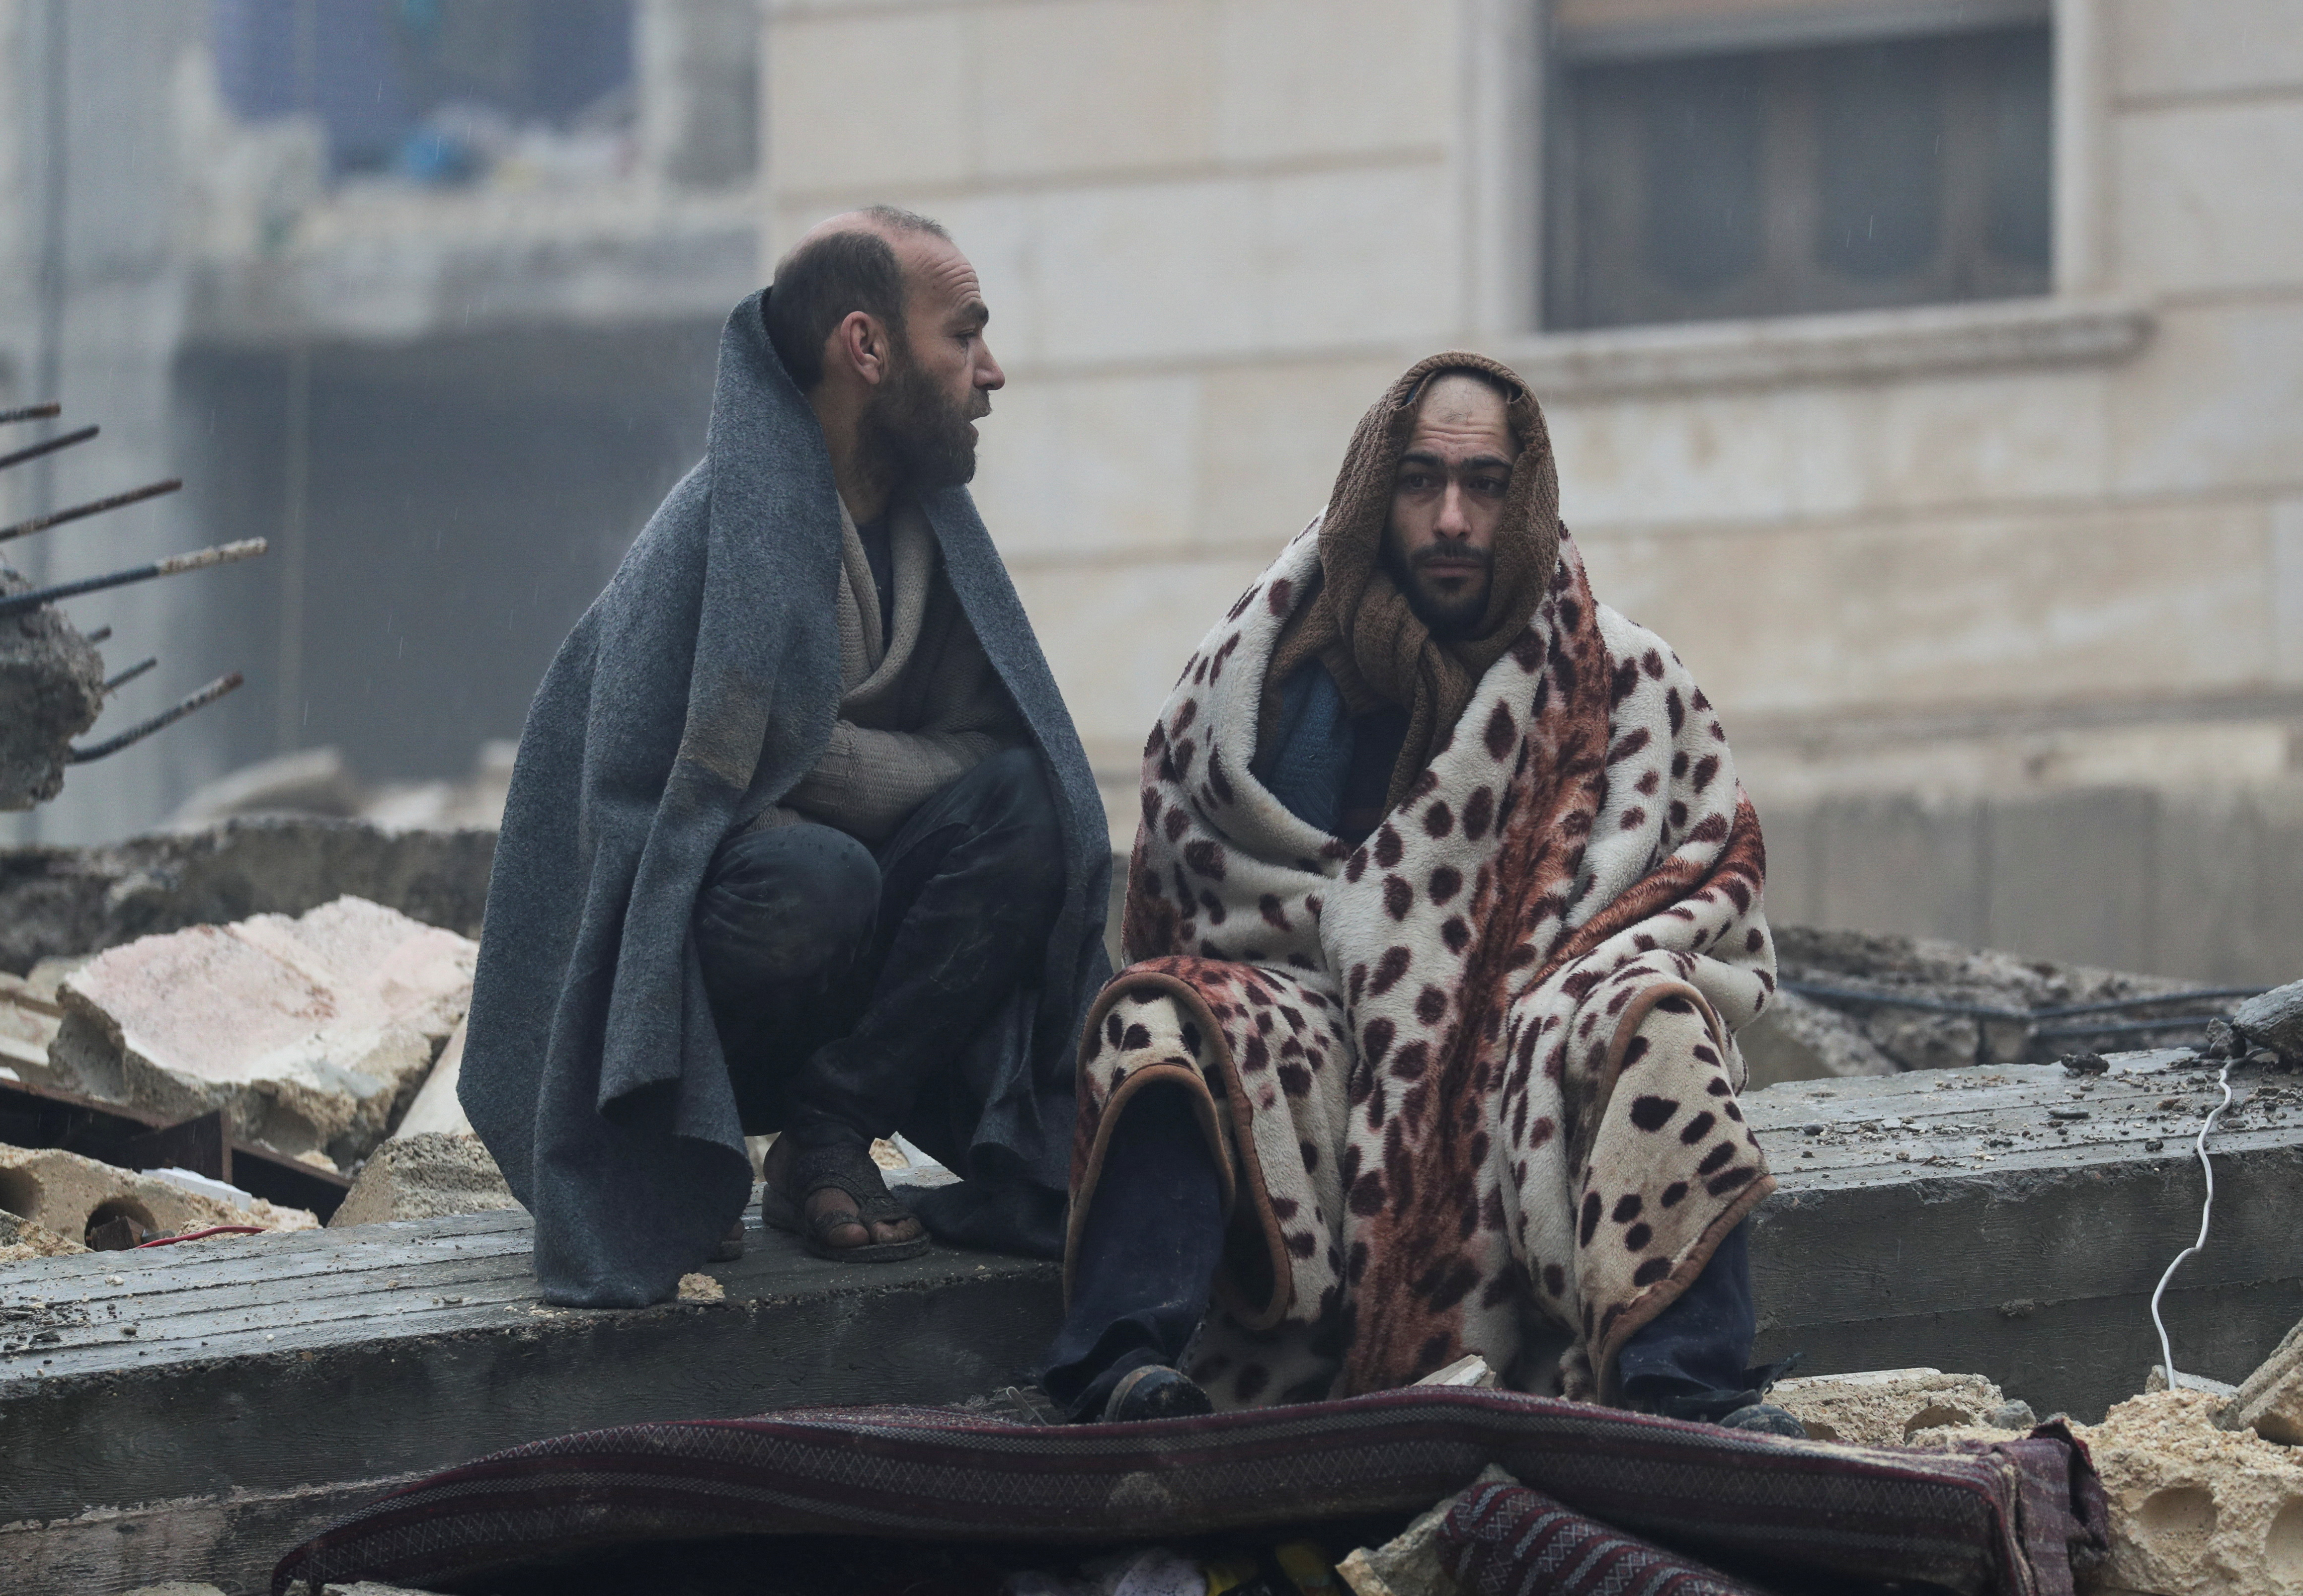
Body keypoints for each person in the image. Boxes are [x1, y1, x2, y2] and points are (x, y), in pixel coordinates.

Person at [1040, 355, 1801, 1430]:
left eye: (1485, 484)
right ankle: (1121, 1370)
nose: (1452, 516)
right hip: (1320, 1042)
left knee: (1657, 1014)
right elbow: (1185, 890)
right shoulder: (1262, 679)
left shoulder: (1628, 685)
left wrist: (1544, 984)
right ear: (1369, 490)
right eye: (1420, 480)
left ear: (1525, 495)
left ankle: (1689, 1393)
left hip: (1533, 1043)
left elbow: (1711, 881)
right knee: (1162, 1011)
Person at [460, 207, 1112, 1307]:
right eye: (963, 335)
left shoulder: (929, 538)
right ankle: (685, 1152)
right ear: (866, 347)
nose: (990, 371)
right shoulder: (714, 534)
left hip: (861, 992)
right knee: (815, 877)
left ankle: (827, 1133)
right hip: (709, 986)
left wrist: (835, 768)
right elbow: (670, 811)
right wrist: (871, 778)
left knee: (1030, 809)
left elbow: (990, 756)